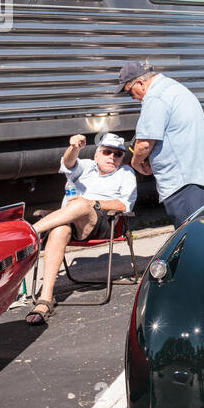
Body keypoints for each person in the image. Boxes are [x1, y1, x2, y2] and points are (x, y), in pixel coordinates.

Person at [26, 134, 137, 325]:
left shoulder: (125, 173)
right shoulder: (86, 166)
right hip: (71, 221)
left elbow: (124, 205)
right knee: (59, 229)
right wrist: (74, 148)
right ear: (96, 154)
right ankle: (45, 299)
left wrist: (92, 203)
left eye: (118, 154)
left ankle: (28, 233)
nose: (112, 157)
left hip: (105, 222)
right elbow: (68, 163)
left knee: (83, 204)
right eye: (107, 151)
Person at [118, 60, 204, 229]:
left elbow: (144, 143)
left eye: (129, 92)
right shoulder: (175, 88)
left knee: (190, 238)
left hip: (183, 182)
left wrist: (136, 162)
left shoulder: (155, 97)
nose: (132, 98)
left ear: (140, 83)